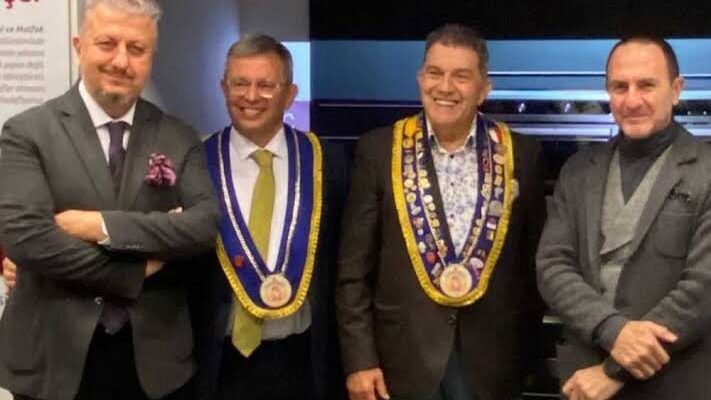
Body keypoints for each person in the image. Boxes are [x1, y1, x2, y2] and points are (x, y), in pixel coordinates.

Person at [0, 0, 219, 399]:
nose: (121, 61)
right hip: (52, 358)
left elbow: (203, 226)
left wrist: (99, 226)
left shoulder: (178, 136)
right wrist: (135, 270)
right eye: (107, 44)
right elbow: (27, 239)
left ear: (151, 58)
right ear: (79, 46)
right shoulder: (26, 132)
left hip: (155, 364)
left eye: (137, 49)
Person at [336, 23, 546, 400]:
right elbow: (353, 269)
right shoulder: (379, 150)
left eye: (461, 76)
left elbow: (533, 266)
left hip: (494, 363)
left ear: (484, 88)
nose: (445, 87)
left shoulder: (521, 154)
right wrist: (359, 360)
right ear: (420, 79)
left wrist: (527, 356)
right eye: (435, 73)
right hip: (400, 362)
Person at [537, 36, 711, 400]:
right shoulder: (577, 171)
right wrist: (612, 330)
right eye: (620, 87)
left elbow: (702, 289)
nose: (632, 100)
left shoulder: (706, 171)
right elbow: (553, 266)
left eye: (646, 85)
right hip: (582, 383)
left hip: (675, 382)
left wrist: (614, 371)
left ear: (676, 90)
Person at [189, 33, 347, 400]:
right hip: (218, 362)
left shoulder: (327, 162)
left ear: (289, 94)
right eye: (239, 83)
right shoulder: (196, 161)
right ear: (223, 88)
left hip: (305, 359)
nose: (250, 96)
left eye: (265, 85)